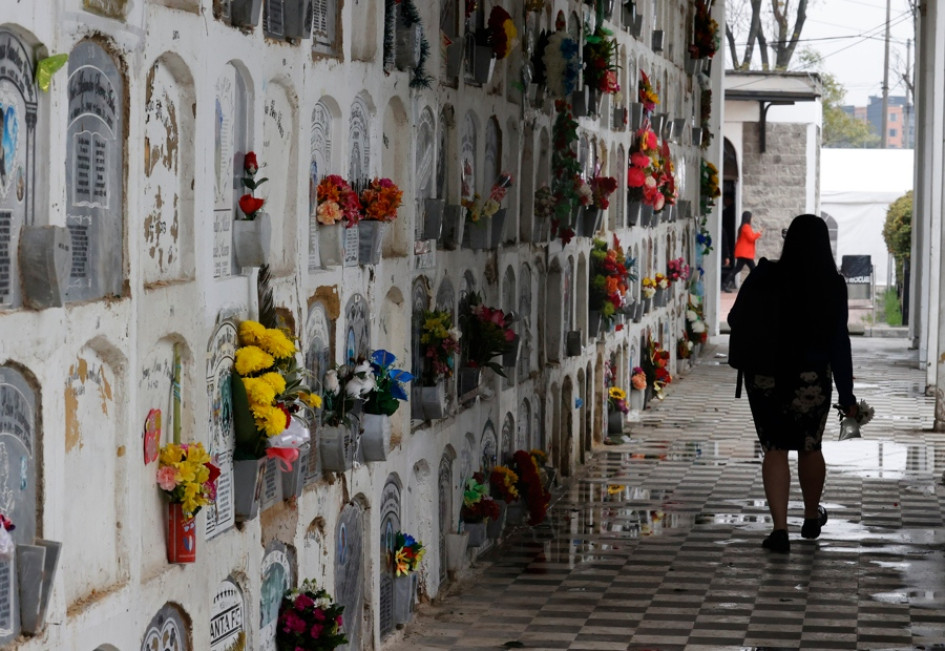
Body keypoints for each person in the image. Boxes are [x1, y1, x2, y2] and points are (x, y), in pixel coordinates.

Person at [729, 214, 857, 554]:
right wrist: (847, 395)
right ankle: (812, 517)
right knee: (809, 445)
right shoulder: (832, 284)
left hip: (767, 376)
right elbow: (838, 342)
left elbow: (734, 318)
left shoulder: (765, 275)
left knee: (775, 447)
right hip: (811, 378)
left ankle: (780, 530)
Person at [723, 210, 762, 291]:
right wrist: (758, 233)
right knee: (752, 269)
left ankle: (726, 283)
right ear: (748, 218)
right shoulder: (746, 227)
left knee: (738, 269)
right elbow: (751, 238)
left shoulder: (743, 227)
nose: (752, 219)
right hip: (745, 253)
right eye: (751, 218)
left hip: (744, 253)